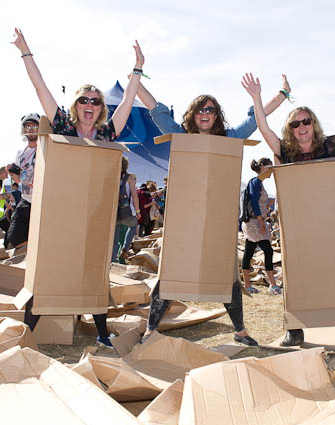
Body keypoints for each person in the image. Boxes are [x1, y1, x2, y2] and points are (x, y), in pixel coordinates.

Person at [12, 27, 145, 348]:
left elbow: (127, 100)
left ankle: (101, 334)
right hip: (59, 215)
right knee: (50, 272)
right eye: (84, 100)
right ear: (77, 105)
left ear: (101, 108)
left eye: (96, 101)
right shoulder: (61, 125)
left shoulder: (107, 135)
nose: (90, 104)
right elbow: (40, 87)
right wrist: (25, 51)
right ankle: (26, 336)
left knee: (92, 274)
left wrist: (138, 68)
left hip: (94, 218)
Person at [135, 74, 290, 347]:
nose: (205, 114)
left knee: (225, 274)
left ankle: (240, 331)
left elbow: (255, 119)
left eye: (210, 109)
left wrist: (280, 94)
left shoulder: (229, 138)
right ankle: (151, 329)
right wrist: (136, 76)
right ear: (192, 115)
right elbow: (156, 110)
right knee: (172, 271)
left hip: (216, 220)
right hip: (185, 218)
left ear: (217, 115)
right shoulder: (181, 136)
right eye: (200, 109)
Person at [243, 67, 335, 351]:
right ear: (290, 129)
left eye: (306, 121)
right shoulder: (285, 151)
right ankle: (295, 329)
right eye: (295, 124)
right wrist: (258, 98)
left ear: (313, 124)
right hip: (298, 225)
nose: (302, 127)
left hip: (328, 224)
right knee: (297, 278)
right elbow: (263, 128)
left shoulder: (329, 146)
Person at [241, 157, 282, 295]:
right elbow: (253, 200)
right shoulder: (256, 182)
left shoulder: (259, 183)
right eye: (270, 167)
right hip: (254, 222)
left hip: (256, 221)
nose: (272, 171)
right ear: (263, 167)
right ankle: (272, 284)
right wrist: (260, 220)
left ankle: (247, 286)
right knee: (268, 251)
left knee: (249, 251)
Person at [6, 113, 39, 249]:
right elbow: (20, 180)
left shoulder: (46, 148)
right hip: (26, 199)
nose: (31, 129)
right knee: (14, 237)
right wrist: (13, 173)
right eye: (28, 126)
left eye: (34, 126)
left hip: (42, 201)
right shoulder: (21, 153)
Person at [113, 156, 141, 262]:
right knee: (133, 226)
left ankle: (111, 262)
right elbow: (134, 196)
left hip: (115, 213)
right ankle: (125, 249)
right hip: (127, 212)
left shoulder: (113, 175)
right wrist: (137, 211)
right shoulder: (129, 178)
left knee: (114, 240)